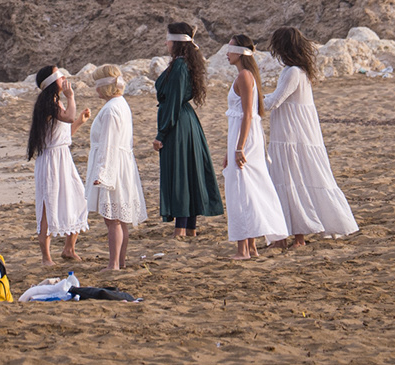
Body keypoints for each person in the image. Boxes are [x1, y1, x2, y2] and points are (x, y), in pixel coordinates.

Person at [265, 25, 359, 249]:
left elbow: (274, 102)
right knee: (287, 182)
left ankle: (297, 238)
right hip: (291, 135)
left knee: (291, 182)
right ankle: (282, 237)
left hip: (291, 137)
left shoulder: (293, 73)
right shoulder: (296, 71)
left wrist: (248, 97)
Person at [218, 34, 288, 259]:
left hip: (246, 139)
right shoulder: (245, 76)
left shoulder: (245, 76)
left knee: (241, 190)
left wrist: (239, 148)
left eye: (230, 49)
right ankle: (251, 247)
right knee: (245, 187)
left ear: (240, 53)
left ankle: (243, 250)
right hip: (242, 137)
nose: (227, 53)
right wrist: (230, 150)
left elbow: (248, 113)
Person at [153, 22, 223, 239]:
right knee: (188, 170)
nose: (166, 43)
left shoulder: (179, 66)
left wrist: (161, 134)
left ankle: (181, 229)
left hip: (178, 125)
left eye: (168, 39)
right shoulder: (185, 64)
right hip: (187, 121)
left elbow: (173, 102)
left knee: (181, 172)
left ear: (176, 42)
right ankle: (190, 227)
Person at [27, 65, 90, 265]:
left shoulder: (56, 103)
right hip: (51, 162)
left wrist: (80, 122)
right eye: (60, 76)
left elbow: (62, 136)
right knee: (48, 205)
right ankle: (46, 257)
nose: (64, 78)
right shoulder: (49, 105)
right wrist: (71, 97)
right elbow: (68, 117)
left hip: (63, 157)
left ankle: (69, 249)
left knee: (78, 198)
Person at [83, 70, 145, 271]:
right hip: (121, 163)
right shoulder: (120, 104)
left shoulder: (111, 109)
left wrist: (102, 173)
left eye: (98, 85)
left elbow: (108, 143)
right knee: (120, 219)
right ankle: (120, 261)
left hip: (113, 165)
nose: (95, 89)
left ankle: (114, 264)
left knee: (113, 220)